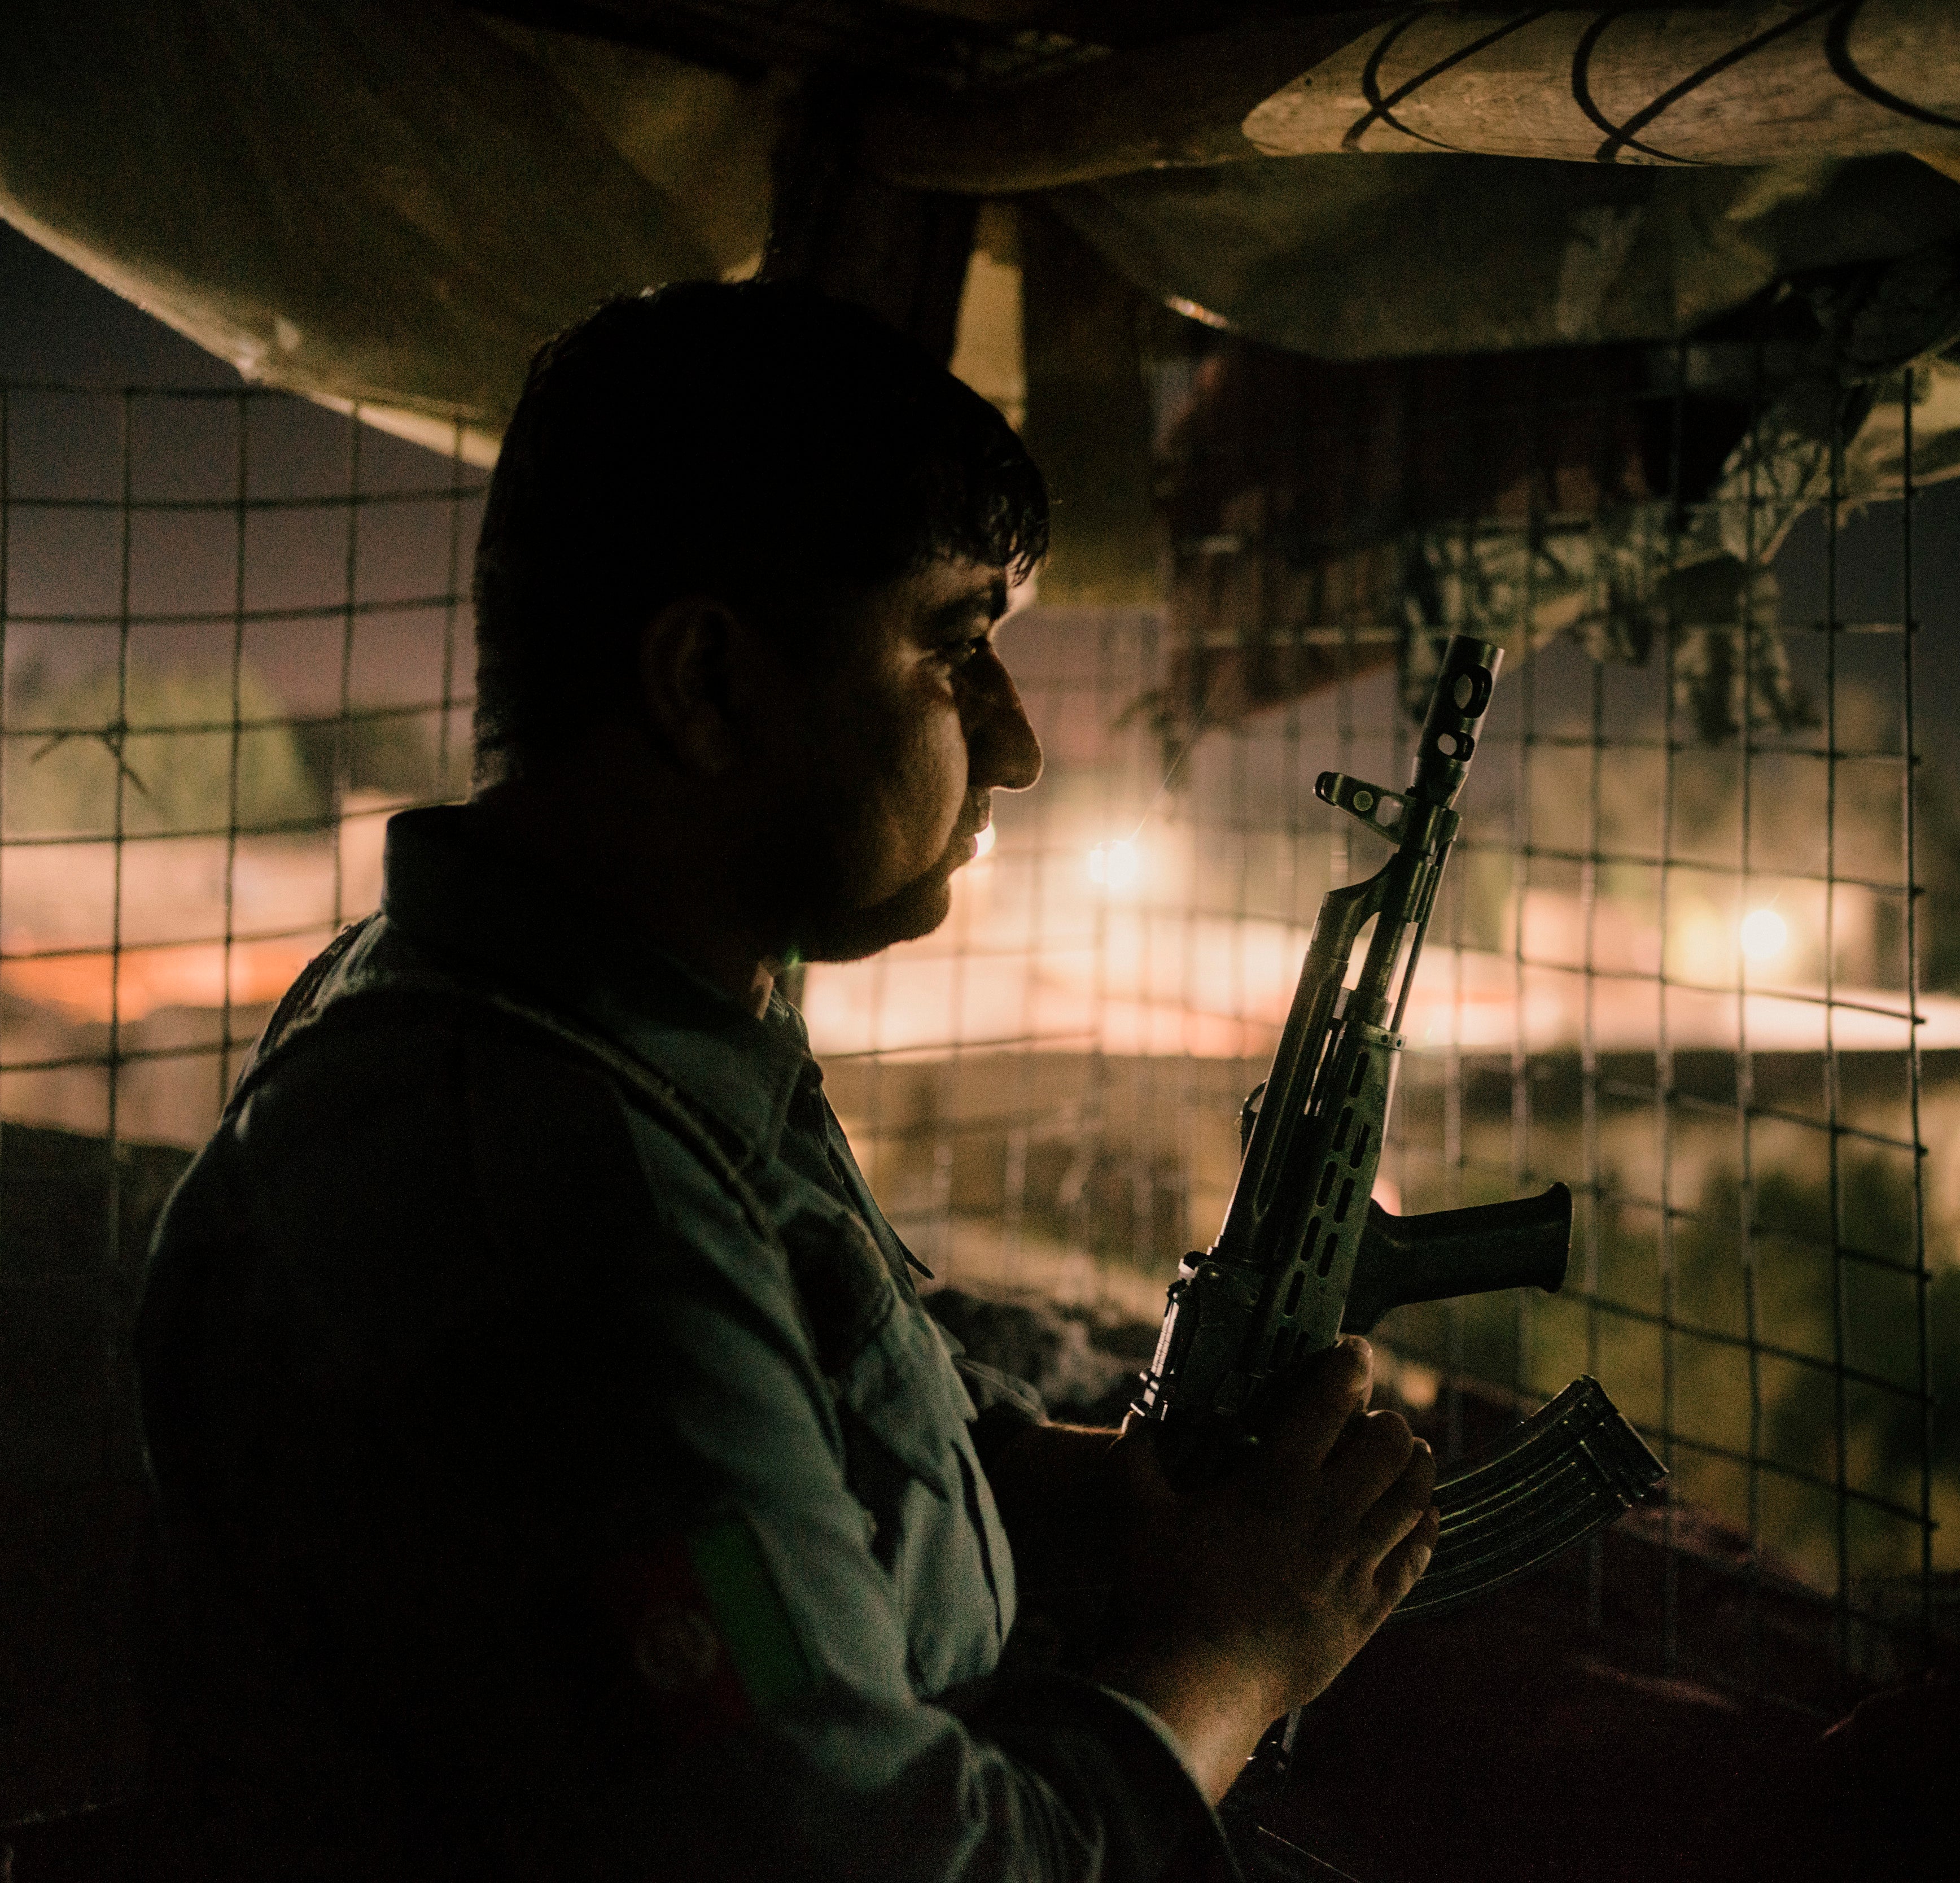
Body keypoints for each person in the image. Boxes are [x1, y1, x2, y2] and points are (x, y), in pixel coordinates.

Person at [133, 280, 1439, 1881]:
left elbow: (843, 1449)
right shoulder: (558, 1220)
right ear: (709, 683)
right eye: (956, 650)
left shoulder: (611, 1035)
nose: (1016, 748)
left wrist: (1131, 1496)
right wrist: (1233, 1654)